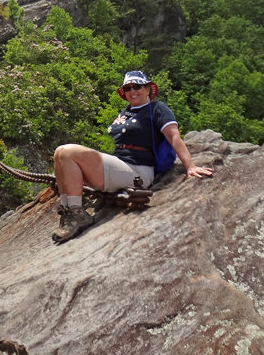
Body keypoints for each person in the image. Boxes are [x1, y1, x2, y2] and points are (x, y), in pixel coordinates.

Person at [52, 70, 213, 244]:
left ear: (147, 89)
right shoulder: (126, 112)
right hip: (120, 166)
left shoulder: (157, 108)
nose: (132, 91)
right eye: (128, 88)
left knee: (67, 151)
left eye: (137, 86)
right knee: (59, 153)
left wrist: (190, 166)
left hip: (137, 170)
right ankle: (69, 211)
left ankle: (78, 213)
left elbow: (173, 136)